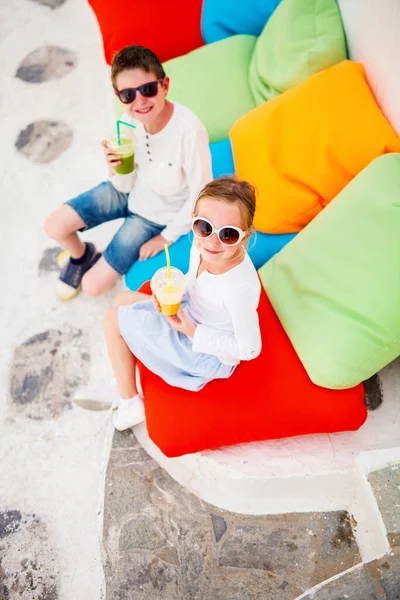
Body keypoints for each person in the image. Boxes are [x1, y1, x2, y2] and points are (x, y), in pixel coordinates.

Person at [44, 45, 212, 300]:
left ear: (164, 85)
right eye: (128, 95)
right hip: (126, 192)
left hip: (153, 217)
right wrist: (115, 167)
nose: (140, 101)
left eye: (148, 89)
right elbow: (122, 186)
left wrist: (165, 237)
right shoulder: (127, 121)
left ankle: (91, 264)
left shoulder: (189, 132)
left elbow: (201, 195)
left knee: (92, 286)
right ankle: (82, 256)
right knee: (54, 226)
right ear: (118, 96)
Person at [103, 176, 262, 431]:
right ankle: (125, 367)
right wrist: (175, 292)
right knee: (121, 300)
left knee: (113, 321)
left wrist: (192, 331)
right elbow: (194, 281)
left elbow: (249, 349)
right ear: (194, 220)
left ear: (245, 237)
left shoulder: (237, 289)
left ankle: (130, 401)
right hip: (190, 316)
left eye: (228, 234)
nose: (212, 241)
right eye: (204, 227)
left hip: (205, 353)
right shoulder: (201, 247)